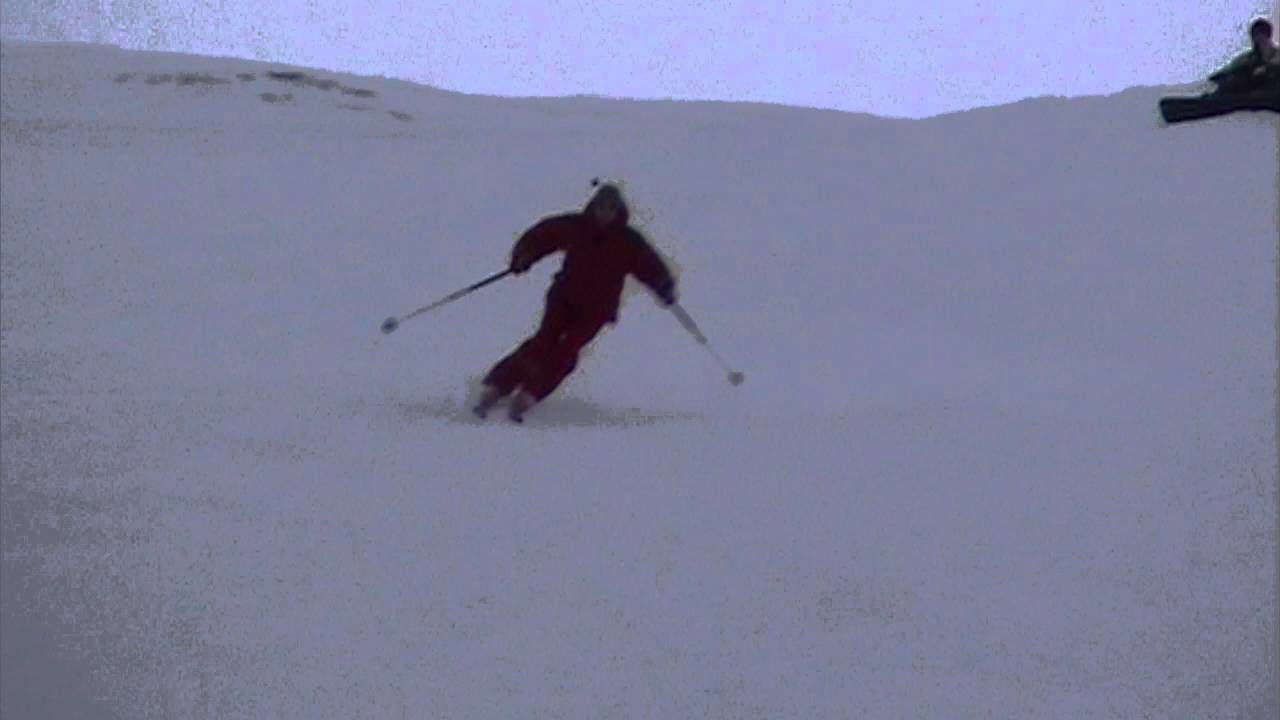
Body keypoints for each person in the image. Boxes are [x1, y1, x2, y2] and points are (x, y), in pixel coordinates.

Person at [473, 182, 677, 423]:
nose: (604, 214)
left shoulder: (628, 241)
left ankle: (531, 393)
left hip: (597, 310)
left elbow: (650, 267)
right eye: (600, 208)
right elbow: (542, 236)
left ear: (618, 212)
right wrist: (524, 256)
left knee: (567, 350)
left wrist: (663, 287)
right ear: (593, 208)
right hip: (564, 298)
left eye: (609, 210)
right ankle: (497, 386)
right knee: (543, 341)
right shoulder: (577, 227)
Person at [1207, 18, 1280, 95]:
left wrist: (1267, 67)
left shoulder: (1277, 55)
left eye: (1259, 35)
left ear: (1267, 36)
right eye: (1254, 36)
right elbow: (1226, 71)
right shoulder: (1246, 58)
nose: (1256, 40)